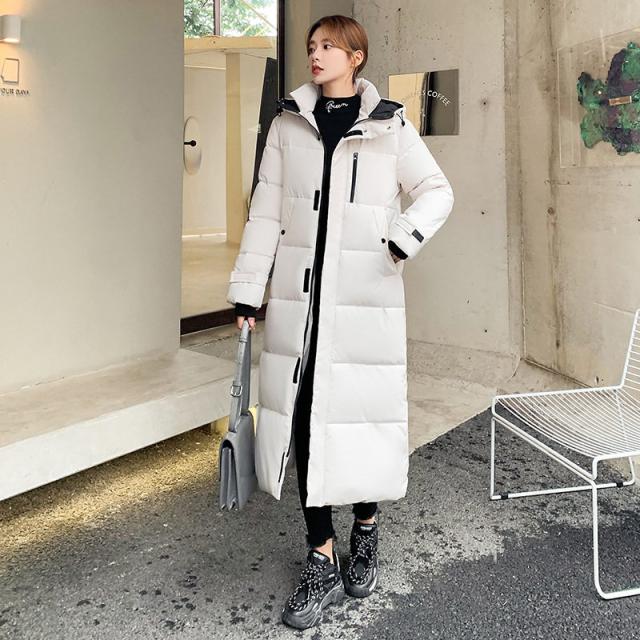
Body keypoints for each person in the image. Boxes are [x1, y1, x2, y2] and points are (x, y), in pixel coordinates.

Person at [229, 14, 454, 630]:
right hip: (299, 304)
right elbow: (265, 215)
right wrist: (248, 290)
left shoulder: (389, 125)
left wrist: (400, 240)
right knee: (304, 422)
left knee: (359, 418)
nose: (316, 53)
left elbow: (437, 190)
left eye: (329, 45)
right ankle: (321, 555)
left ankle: (367, 528)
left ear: (356, 57)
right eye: (311, 46)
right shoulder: (287, 124)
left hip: (364, 301)